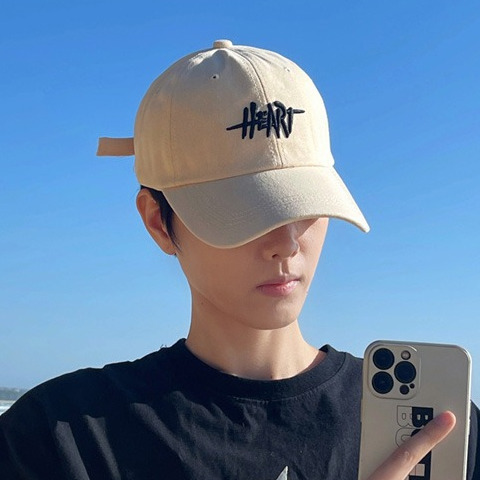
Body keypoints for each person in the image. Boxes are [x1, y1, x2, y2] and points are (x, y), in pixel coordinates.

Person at [0, 39, 477, 480]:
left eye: (306, 204)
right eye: (243, 211)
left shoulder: (438, 434)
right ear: (158, 221)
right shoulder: (60, 440)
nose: (285, 242)